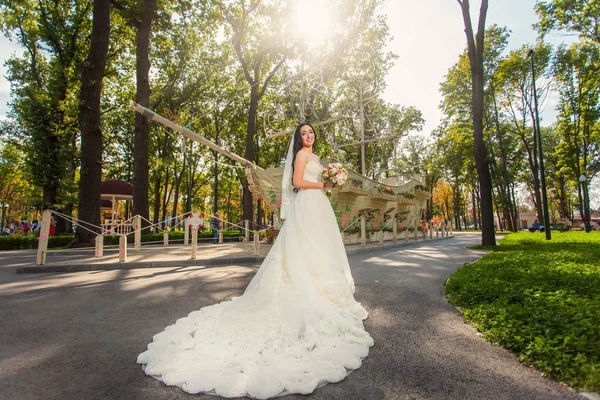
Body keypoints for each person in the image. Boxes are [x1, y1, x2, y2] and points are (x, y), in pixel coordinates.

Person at [137, 123, 373, 398]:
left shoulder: (318, 158)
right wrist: (324, 183)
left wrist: (329, 183)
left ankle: (325, 288)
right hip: (308, 203)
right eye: (303, 134)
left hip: (318, 203)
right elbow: (297, 183)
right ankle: (307, 291)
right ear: (299, 139)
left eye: (310, 133)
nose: (308, 136)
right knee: (305, 246)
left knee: (319, 248)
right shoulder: (301, 156)